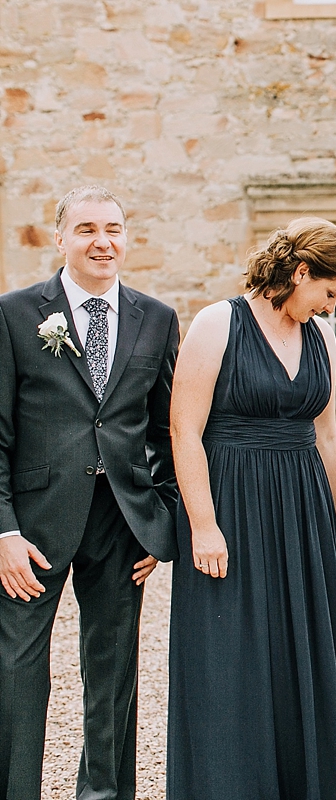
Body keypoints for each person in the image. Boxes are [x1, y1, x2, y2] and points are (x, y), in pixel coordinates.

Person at [166, 217, 336, 799]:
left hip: (304, 508)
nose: (330, 308)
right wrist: (203, 525)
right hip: (230, 502)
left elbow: (326, 435)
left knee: (304, 650)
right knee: (233, 655)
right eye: (328, 294)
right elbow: (184, 430)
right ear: (300, 273)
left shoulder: (319, 336)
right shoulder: (217, 323)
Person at [0, 185, 179, 800]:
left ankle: (103, 794)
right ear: (60, 239)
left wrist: (163, 522)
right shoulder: (15, 314)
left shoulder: (156, 318)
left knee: (112, 675)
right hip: (33, 523)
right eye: (86, 230)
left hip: (122, 521)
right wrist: (4, 532)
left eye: (114, 229)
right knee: (18, 671)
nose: (103, 242)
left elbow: (167, 431)